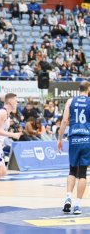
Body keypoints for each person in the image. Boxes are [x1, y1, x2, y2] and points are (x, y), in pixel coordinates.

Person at [57, 81, 90, 215]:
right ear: (88, 89)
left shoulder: (70, 101)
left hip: (74, 138)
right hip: (87, 138)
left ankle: (68, 197)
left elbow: (64, 121)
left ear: (79, 89)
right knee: (82, 173)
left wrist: (59, 139)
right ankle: (77, 205)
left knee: (72, 170)